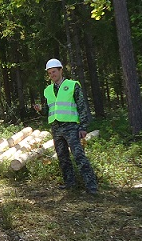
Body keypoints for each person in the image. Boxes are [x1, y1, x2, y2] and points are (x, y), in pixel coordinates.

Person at [32, 59, 99, 195]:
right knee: (62, 157)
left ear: (61, 70)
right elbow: (48, 111)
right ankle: (70, 183)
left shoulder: (73, 85)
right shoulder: (48, 90)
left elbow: (82, 107)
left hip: (72, 127)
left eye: (54, 72)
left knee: (79, 156)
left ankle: (91, 186)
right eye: (50, 73)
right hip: (56, 128)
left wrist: (83, 126)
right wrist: (40, 109)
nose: (52, 75)